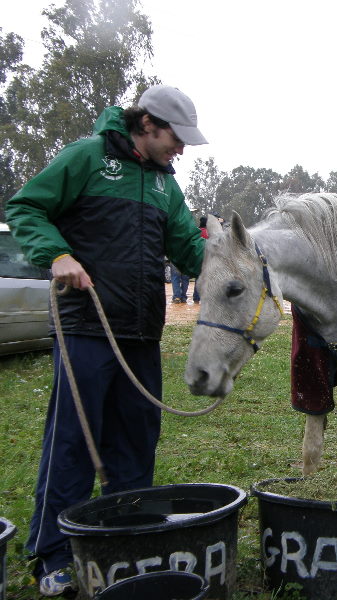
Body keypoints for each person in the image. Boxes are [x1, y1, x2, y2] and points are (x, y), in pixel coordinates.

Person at [4, 84, 207, 597]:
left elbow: (189, 250)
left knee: (136, 442)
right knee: (73, 441)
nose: (180, 149)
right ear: (146, 124)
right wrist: (56, 254)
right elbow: (27, 207)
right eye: (175, 138)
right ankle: (53, 555)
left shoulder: (166, 187)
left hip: (141, 334)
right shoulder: (87, 158)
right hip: (86, 329)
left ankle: (127, 543)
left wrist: (238, 266)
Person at [192, 216, 209, 304]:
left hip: (197, 258)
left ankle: (196, 297)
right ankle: (204, 298)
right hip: (207, 259)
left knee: (198, 278)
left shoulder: (196, 231)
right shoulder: (208, 232)